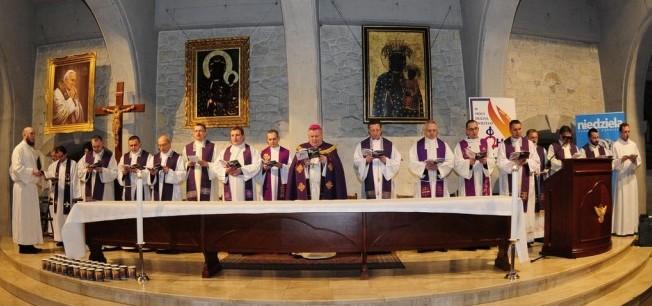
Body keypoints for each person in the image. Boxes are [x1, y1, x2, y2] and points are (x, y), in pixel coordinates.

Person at [497, 120, 541, 242]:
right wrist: (514, 162)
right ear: (510, 130)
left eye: (519, 129)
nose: (518, 131)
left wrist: (526, 161)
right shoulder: (503, 145)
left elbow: (537, 162)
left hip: (526, 180)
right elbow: (500, 162)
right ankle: (512, 237)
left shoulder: (529, 144)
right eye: (515, 129)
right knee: (511, 208)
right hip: (510, 182)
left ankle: (526, 239)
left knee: (525, 208)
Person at [287, 124, 347, 200]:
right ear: (308, 137)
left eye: (317, 136)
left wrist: (326, 161)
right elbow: (294, 169)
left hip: (324, 187)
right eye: (312, 136)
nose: (314, 139)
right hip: (307, 186)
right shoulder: (302, 148)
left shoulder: (330, 149)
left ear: (322, 136)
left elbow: (338, 169)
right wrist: (304, 164)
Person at [10, 127, 44, 254]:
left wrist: (38, 173)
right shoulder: (19, 149)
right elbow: (16, 168)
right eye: (31, 134)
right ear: (24, 134)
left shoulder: (30, 150)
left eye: (34, 133)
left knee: (31, 217)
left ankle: (29, 243)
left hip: (30, 187)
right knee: (23, 217)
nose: (33, 136)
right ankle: (23, 246)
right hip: (23, 188)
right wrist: (32, 172)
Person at [353, 120, 401, 199]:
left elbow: (397, 162)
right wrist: (365, 161)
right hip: (369, 182)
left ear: (381, 130)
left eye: (377, 130)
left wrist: (386, 161)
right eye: (373, 130)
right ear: (369, 130)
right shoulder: (362, 145)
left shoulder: (389, 145)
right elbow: (356, 162)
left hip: (385, 183)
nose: (375, 132)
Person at [408, 120, 454, 198]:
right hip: (423, 181)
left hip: (439, 181)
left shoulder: (443, 145)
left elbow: (451, 161)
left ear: (437, 131)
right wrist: (425, 167)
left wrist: (438, 168)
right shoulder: (417, 146)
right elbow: (411, 162)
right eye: (429, 130)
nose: (432, 132)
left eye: (434, 130)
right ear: (424, 131)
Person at [44, 146, 79, 247]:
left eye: (61, 156)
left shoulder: (73, 164)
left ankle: (69, 238)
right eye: (58, 156)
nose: (60, 158)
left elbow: (75, 180)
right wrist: (52, 181)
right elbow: (49, 178)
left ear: (65, 154)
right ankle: (60, 238)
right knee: (58, 217)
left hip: (69, 196)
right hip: (58, 196)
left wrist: (76, 195)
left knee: (68, 217)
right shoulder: (54, 165)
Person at [611, 123, 641, 236]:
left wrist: (634, 160)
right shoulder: (615, 145)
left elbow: (639, 161)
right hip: (620, 178)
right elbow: (613, 163)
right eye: (625, 132)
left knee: (631, 202)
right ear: (620, 132)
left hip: (631, 178)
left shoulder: (633, 144)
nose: (627, 134)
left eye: (628, 131)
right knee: (621, 203)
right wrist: (621, 160)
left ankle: (631, 229)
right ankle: (619, 229)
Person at [216, 127, 261, 201]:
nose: (235, 138)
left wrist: (241, 170)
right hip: (230, 183)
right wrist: (226, 171)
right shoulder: (224, 152)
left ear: (243, 136)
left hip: (244, 183)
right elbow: (216, 166)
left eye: (237, 135)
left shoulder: (251, 150)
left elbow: (257, 165)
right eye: (232, 135)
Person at [454, 120, 495, 196]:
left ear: (478, 129)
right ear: (467, 131)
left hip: (483, 180)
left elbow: (492, 160)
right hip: (467, 182)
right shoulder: (460, 145)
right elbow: (456, 163)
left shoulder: (485, 143)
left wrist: (486, 162)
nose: (474, 131)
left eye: (476, 128)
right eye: (471, 129)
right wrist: (469, 163)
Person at [183, 123, 219, 201]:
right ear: (193, 133)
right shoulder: (187, 147)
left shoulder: (212, 147)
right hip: (192, 178)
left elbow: (218, 165)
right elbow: (182, 165)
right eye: (196, 131)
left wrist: (207, 164)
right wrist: (188, 164)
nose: (198, 133)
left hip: (207, 178)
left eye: (200, 131)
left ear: (205, 133)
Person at [78, 135, 118, 201]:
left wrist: (102, 170)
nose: (96, 149)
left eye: (98, 146)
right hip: (89, 191)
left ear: (102, 143)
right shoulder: (86, 156)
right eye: (94, 147)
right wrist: (87, 171)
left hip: (104, 192)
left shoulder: (109, 156)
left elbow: (115, 172)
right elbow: (79, 171)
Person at [256, 129, 293, 201]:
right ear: (267, 140)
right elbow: (258, 168)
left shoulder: (286, 152)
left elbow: (291, 168)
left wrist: (281, 166)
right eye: (270, 139)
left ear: (278, 138)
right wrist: (264, 168)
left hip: (281, 181)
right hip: (268, 181)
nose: (272, 141)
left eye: (274, 139)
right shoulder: (263, 152)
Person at [147, 135, 186, 201]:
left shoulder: (178, 158)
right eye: (159, 145)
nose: (161, 147)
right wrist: (152, 174)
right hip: (157, 191)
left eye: (164, 145)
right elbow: (149, 176)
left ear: (169, 144)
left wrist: (169, 171)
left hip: (172, 192)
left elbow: (182, 175)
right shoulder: (154, 158)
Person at [526, 129, 548, 240]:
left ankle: (540, 234)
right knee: (531, 207)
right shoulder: (525, 150)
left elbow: (545, 165)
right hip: (529, 181)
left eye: (536, 137)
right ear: (527, 138)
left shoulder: (542, 150)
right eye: (532, 137)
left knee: (540, 206)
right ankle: (530, 235)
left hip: (540, 182)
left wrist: (544, 172)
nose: (534, 139)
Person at [118, 136, 150, 201]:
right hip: (128, 188)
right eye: (131, 145)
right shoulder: (124, 157)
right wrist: (123, 173)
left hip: (142, 189)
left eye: (135, 145)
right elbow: (119, 172)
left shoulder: (148, 156)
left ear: (140, 144)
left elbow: (150, 173)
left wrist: (138, 171)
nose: (133, 147)